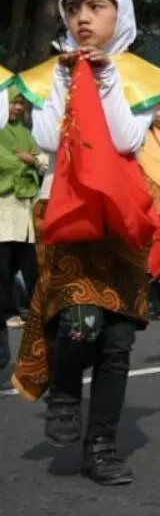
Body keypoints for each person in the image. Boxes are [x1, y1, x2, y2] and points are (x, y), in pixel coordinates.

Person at [13, 0, 160, 485]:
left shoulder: (135, 75)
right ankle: (62, 390)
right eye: (75, 9)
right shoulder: (49, 73)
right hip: (67, 213)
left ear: (118, 14)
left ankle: (101, 447)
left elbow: (128, 139)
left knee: (118, 341)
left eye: (97, 7)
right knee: (80, 322)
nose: (84, 19)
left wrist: (106, 82)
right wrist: (65, 81)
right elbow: (43, 137)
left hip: (121, 220)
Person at [0, 87, 44, 333]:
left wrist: (33, 160)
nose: (17, 108)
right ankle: (8, 311)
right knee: (4, 264)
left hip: (25, 206)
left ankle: (35, 307)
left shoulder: (27, 133)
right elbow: (3, 162)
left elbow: (41, 159)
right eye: (12, 103)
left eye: (20, 104)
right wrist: (28, 161)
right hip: (4, 206)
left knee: (29, 261)